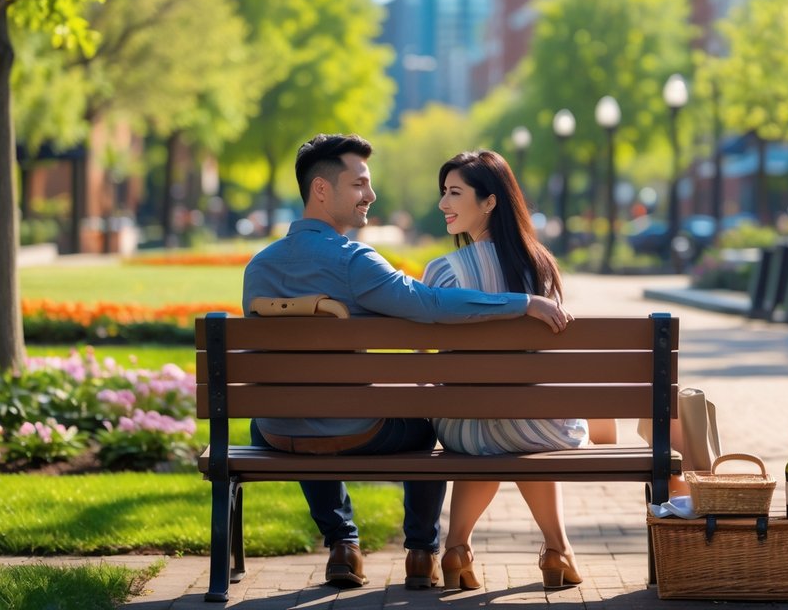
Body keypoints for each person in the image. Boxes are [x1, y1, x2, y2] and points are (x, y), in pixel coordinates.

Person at [243, 134, 572, 591]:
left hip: (276, 431)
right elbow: (431, 304)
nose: (371, 196)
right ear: (321, 190)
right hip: (355, 431)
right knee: (422, 420)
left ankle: (342, 542)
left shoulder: (258, 267)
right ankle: (421, 552)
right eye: (360, 184)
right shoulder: (354, 262)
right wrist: (520, 303)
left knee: (299, 414)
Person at [422, 150, 586, 590]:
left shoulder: (442, 272)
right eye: (444, 193)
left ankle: (457, 545)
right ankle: (558, 549)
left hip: (462, 425)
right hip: (537, 421)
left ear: (490, 201)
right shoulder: (542, 267)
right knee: (518, 423)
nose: (443, 204)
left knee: (491, 425)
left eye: (455, 193)